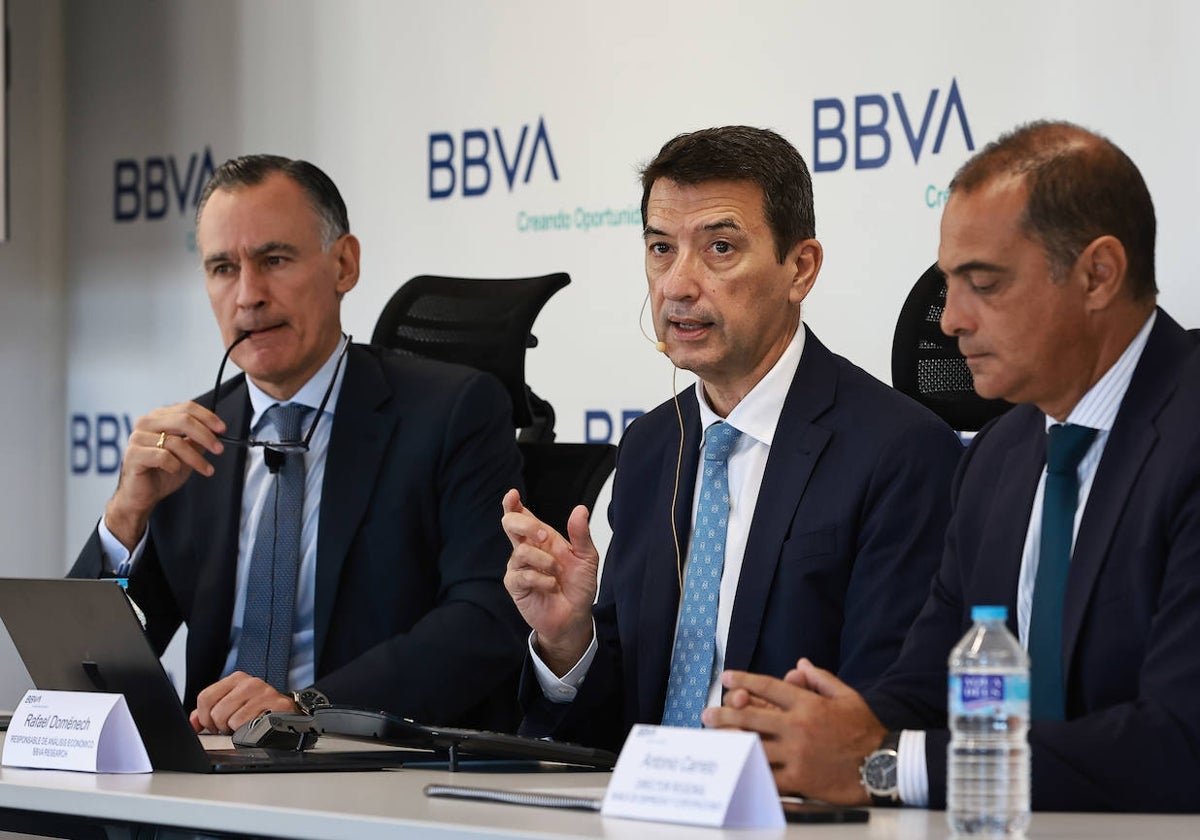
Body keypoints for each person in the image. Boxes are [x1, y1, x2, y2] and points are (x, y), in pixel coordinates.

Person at [705, 120, 1200, 813]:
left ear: (1098, 274)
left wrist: (880, 764)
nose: (949, 321)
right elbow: (926, 687)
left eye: (984, 284)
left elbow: (1180, 743)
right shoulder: (997, 456)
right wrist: (809, 736)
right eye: (948, 284)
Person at [501, 126, 964, 752]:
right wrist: (567, 642)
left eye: (719, 248)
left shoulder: (899, 452)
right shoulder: (648, 447)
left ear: (800, 268)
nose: (677, 285)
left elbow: (883, 714)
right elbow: (617, 726)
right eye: (661, 249)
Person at [70, 155, 527, 734]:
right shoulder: (192, 439)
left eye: (274, 260)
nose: (248, 295)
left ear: (344, 264)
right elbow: (82, 668)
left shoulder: (453, 413)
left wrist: (308, 707)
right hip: (209, 774)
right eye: (222, 268)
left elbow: (486, 616)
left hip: (366, 773)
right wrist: (125, 519)